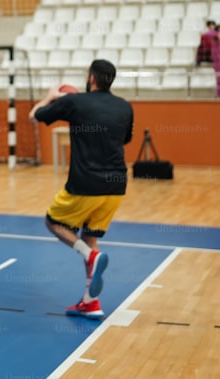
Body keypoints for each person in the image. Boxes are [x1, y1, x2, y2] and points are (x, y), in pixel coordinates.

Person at [29, 59, 133, 320]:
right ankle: (91, 302)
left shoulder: (75, 102)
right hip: (116, 187)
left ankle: (89, 256)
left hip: (85, 183)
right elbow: (125, 138)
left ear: (92, 78)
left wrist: (50, 97)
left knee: (53, 222)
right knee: (90, 234)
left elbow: (35, 116)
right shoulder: (125, 106)